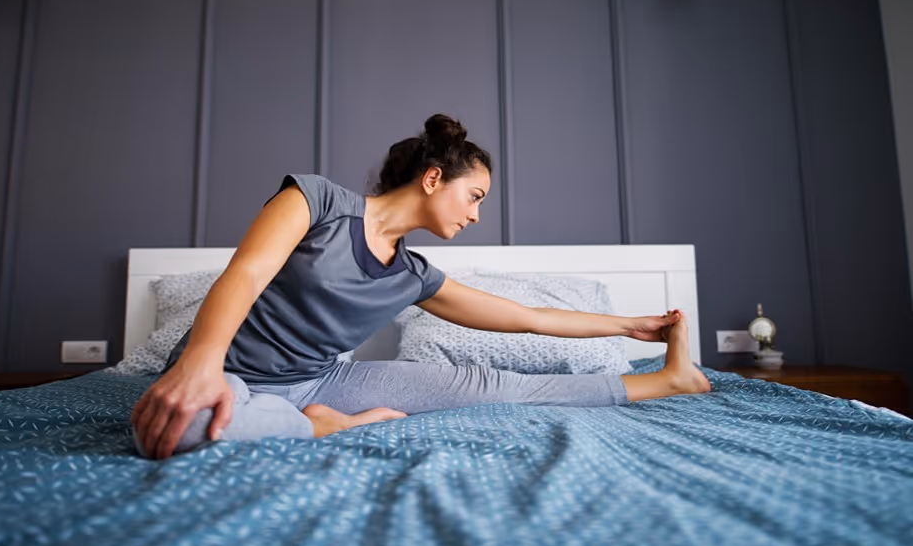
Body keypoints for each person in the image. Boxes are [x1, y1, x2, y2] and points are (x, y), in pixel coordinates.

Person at [131, 114, 711, 460]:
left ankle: (667, 381)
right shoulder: (316, 201)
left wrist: (631, 326)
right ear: (434, 178)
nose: (476, 215)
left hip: (322, 381)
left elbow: (529, 318)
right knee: (171, 429)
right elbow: (246, 273)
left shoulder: (413, 276)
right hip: (225, 370)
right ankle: (319, 426)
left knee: (493, 386)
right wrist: (200, 364)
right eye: (474, 196)